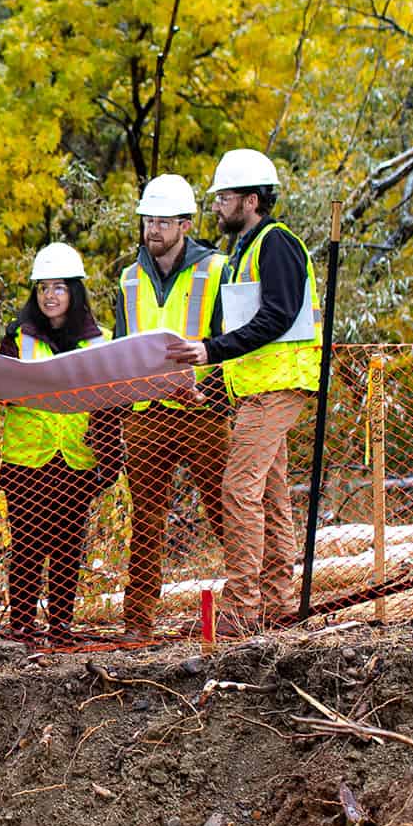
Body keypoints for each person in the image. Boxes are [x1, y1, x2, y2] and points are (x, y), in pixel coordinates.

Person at [163, 149, 321, 634]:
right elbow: (243, 327)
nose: (217, 206)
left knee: (238, 488)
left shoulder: (276, 245)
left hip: (278, 385)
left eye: (225, 197)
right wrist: (208, 378)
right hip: (256, 387)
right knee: (270, 496)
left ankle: (241, 609)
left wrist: (209, 352)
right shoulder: (242, 253)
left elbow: (275, 317)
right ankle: (275, 603)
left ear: (251, 200)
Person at [112, 174, 232, 637]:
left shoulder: (217, 269)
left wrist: (213, 394)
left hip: (203, 411)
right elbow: (123, 348)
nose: (153, 229)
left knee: (224, 509)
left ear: (185, 224)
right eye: (148, 220)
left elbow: (230, 342)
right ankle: (137, 621)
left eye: (163, 221)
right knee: (145, 519)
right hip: (146, 415)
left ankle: (251, 601)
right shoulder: (129, 278)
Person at [0, 244, 116, 644]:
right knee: (27, 547)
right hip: (28, 461)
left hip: (76, 459)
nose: (50, 296)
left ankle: (61, 626)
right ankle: (22, 628)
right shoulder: (17, 339)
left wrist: (109, 457)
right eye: (43, 287)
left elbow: (110, 406)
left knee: (67, 546)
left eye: (59, 287)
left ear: (75, 292)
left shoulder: (101, 343)